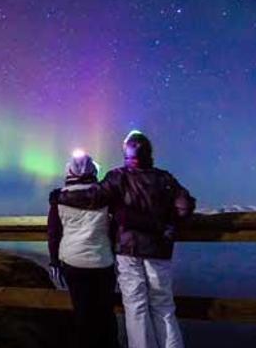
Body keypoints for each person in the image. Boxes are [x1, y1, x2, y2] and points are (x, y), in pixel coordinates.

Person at [50, 131, 195, 348]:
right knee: (163, 306)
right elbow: (185, 207)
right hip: (159, 250)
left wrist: (61, 197)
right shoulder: (165, 179)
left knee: (136, 307)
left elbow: (93, 197)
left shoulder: (118, 177)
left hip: (128, 249)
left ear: (126, 155)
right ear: (149, 153)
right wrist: (167, 224)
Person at [48, 150, 119, 348]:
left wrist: (54, 261)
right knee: (106, 314)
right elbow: (114, 230)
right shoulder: (106, 197)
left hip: (73, 263)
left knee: (82, 315)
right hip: (103, 262)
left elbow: (54, 233)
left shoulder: (59, 199)